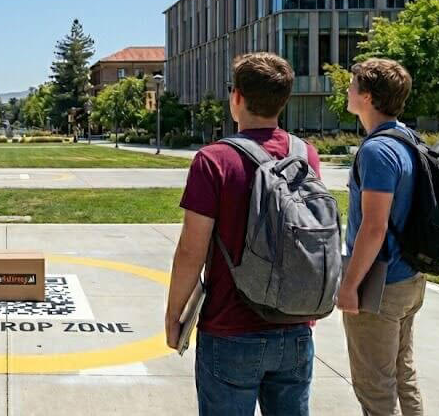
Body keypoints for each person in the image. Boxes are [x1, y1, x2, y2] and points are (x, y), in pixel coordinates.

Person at [165, 52, 321, 415]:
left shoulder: (214, 160)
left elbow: (192, 249)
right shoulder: (305, 155)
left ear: (236, 97)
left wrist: (175, 316)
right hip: (295, 325)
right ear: (284, 100)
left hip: (230, 328)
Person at [337, 58, 423, 415]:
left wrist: (349, 284)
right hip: (409, 278)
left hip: (380, 285)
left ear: (368, 97)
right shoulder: (409, 139)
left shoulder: (376, 151)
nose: (347, 90)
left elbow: (374, 227)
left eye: (353, 85)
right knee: (403, 374)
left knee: (375, 389)